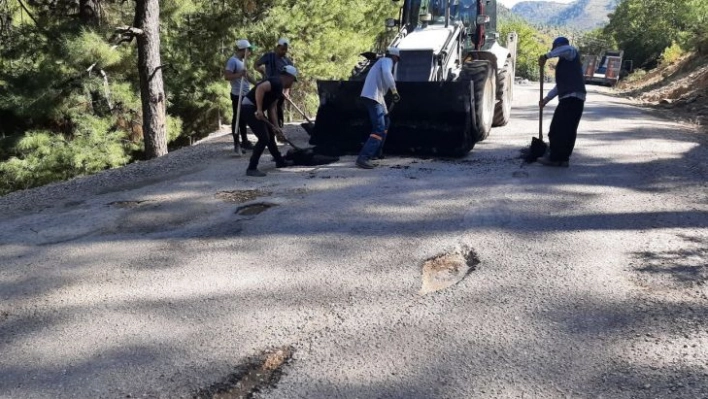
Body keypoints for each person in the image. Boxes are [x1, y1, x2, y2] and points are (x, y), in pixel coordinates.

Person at [241, 65, 298, 177]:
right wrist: (258, 108)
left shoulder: (279, 87)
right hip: (248, 108)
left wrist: (276, 128)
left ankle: (280, 161)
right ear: (289, 77)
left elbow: (272, 108)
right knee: (264, 138)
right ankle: (251, 168)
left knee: (271, 134)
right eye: (293, 80)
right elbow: (260, 88)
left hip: (254, 108)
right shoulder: (276, 81)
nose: (292, 84)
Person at [538, 36, 586, 167]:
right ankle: (562, 159)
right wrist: (546, 99)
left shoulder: (571, 53)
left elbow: (566, 49)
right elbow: (560, 86)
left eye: (556, 49)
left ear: (558, 47)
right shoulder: (566, 63)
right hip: (573, 98)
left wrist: (546, 56)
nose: (556, 52)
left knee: (557, 129)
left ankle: (555, 158)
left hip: (572, 98)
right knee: (568, 130)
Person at [356, 47, 401, 169]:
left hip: (376, 96)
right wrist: (394, 91)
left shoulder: (380, 63)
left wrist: (386, 110)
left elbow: (382, 88)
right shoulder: (387, 61)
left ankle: (377, 152)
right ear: (394, 57)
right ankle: (363, 158)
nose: (396, 62)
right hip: (373, 96)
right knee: (379, 128)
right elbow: (387, 74)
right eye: (397, 59)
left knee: (386, 121)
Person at [224, 39, 258, 152]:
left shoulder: (242, 61)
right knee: (237, 118)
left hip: (245, 93)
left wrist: (258, 84)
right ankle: (236, 142)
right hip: (237, 94)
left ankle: (245, 141)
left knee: (243, 118)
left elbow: (247, 76)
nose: (250, 53)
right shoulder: (232, 61)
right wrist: (240, 74)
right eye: (248, 50)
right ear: (243, 50)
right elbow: (227, 76)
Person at [255, 38, 293, 128]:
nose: (284, 51)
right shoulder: (269, 56)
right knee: (270, 107)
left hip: (281, 88)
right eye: (282, 49)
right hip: (268, 86)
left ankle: (279, 127)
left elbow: (290, 77)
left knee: (278, 107)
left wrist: (287, 91)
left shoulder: (288, 62)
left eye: (285, 50)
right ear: (277, 47)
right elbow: (256, 64)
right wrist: (260, 70)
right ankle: (272, 129)